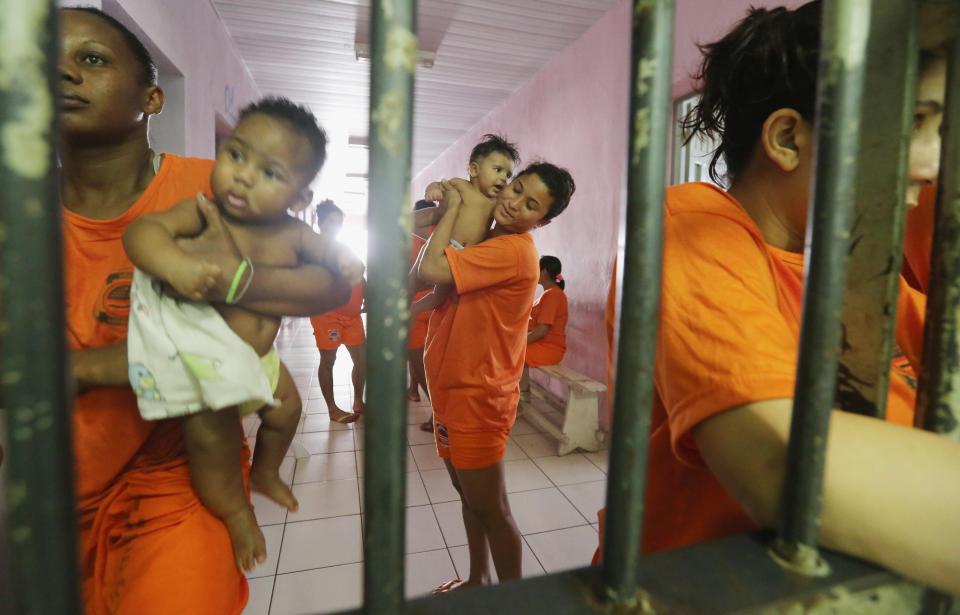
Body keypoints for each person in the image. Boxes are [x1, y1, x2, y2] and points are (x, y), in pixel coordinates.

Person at [595, 1, 960, 595]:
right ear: (788, 137)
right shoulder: (687, 226)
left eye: (940, 132)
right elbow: (783, 464)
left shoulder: (857, 267)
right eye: (914, 122)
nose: (933, 162)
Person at [60, 8, 351, 613]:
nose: (60, 73)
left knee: (281, 412)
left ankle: (252, 493)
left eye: (90, 58)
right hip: (56, 485)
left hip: (178, 474)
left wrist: (240, 280)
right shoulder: (23, 219)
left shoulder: (213, 194)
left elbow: (328, 281)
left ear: (153, 97)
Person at [123, 98, 362, 571]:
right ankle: (235, 512)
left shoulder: (293, 233)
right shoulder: (203, 213)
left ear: (298, 199)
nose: (244, 176)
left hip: (258, 357)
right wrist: (177, 263)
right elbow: (143, 232)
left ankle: (266, 471)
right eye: (236, 155)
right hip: (202, 356)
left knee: (288, 409)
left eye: (270, 173)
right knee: (212, 443)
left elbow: (328, 255)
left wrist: (345, 260)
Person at [419, 162, 575, 590]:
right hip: (452, 389)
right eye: (516, 188)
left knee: (492, 507)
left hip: (478, 396)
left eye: (530, 205)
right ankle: (477, 579)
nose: (513, 203)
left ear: (540, 220)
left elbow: (428, 271)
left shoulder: (511, 250)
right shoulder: (490, 237)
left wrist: (452, 205)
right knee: (469, 498)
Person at [410, 134, 520, 314]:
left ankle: (411, 312)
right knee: (412, 284)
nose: (503, 179)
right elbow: (439, 185)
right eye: (498, 170)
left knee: (439, 296)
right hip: (440, 247)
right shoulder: (460, 186)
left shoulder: (496, 202)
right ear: (474, 170)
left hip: (461, 259)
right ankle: (397, 311)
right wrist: (434, 189)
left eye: (508, 175)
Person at [309, 200, 367, 422]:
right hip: (327, 316)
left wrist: (368, 294)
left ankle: (358, 401)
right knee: (328, 360)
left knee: (362, 359)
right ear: (320, 222)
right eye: (332, 222)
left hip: (352, 316)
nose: (336, 226)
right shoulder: (312, 249)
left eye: (339, 222)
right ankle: (332, 409)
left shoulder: (343, 246)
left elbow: (359, 275)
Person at [520, 255, 569, 398]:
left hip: (550, 348)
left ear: (544, 272)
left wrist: (520, 343)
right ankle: (520, 392)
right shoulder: (548, 294)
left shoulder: (553, 295)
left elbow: (542, 330)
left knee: (514, 354)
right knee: (510, 352)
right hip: (541, 344)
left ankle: (520, 394)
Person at [409, 200, 435, 425]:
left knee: (419, 361)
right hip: (436, 304)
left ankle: (438, 413)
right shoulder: (440, 237)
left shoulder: (407, 241)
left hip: (415, 307)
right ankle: (414, 391)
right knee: (431, 360)